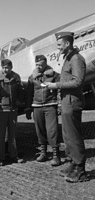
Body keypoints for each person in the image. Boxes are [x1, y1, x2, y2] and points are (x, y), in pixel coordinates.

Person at [45, 32, 88, 182]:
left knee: (74, 136)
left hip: (72, 102)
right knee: (67, 135)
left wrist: (55, 85)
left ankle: (80, 170)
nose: (57, 48)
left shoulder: (76, 59)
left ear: (67, 44)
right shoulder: (68, 59)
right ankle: (72, 164)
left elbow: (78, 82)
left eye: (59, 44)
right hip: (66, 102)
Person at [0, 59, 25, 166]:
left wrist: (19, 101)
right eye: (3, 67)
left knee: (12, 135)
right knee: (0, 135)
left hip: (13, 110)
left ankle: (13, 156)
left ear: (11, 67)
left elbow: (21, 90)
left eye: (7, 67)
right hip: (1, 111)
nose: (5, 70)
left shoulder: (16, 77)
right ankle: (0, 158)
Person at [25, 55, 61, 166]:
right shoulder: (32, 78)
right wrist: (28, 108)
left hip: (51, 105)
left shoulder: (55, 75)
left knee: (52, 130)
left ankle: (56, 155)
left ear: (45, 63)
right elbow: (29, 93)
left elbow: (59, 90)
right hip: (37, 106)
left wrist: (59, 105)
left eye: (40, 64)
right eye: (36, 65)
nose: (38, 66)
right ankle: (43, 152)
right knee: (39, 130)